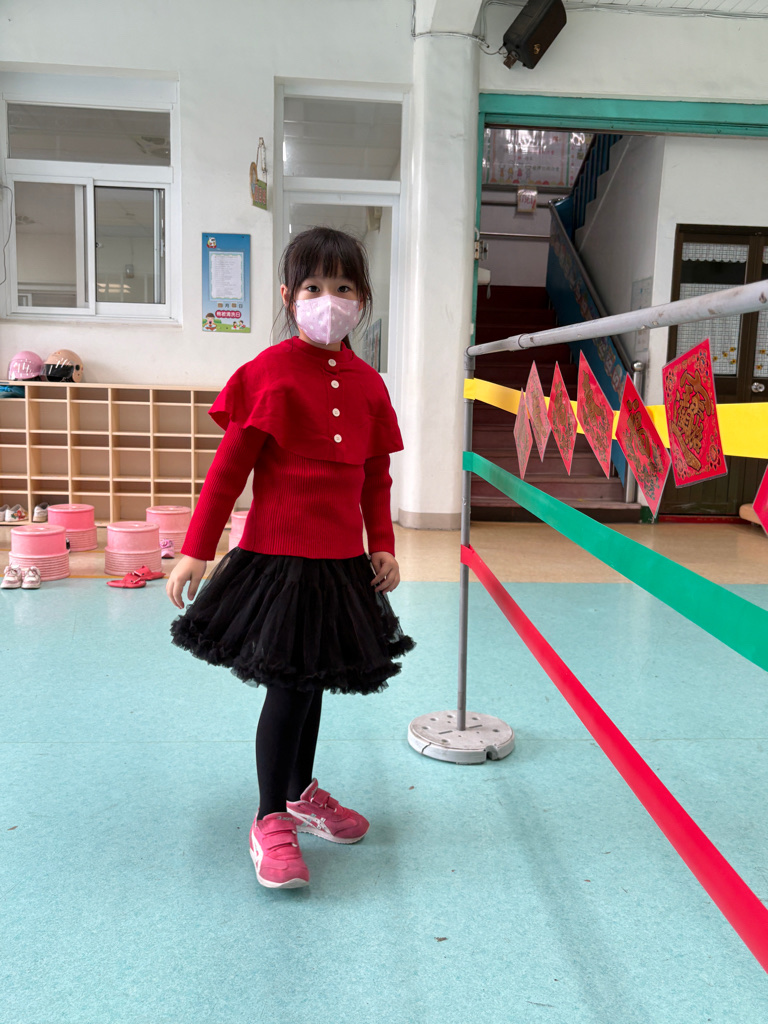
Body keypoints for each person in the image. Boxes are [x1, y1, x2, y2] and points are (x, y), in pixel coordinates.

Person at [167, 227, 414, 890]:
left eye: (343, 287)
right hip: (277, 563)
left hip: (339, 566)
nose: (329, 300)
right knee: (288, 685)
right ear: (288, 296)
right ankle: (268, 816)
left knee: (313, 682)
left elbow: (376, 478)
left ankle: (300, 793)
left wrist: (383, 544)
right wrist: (196, 550)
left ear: (362, 299)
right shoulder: (266, 374)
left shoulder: (369, 385)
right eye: (313, 287)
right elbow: (227, 473)